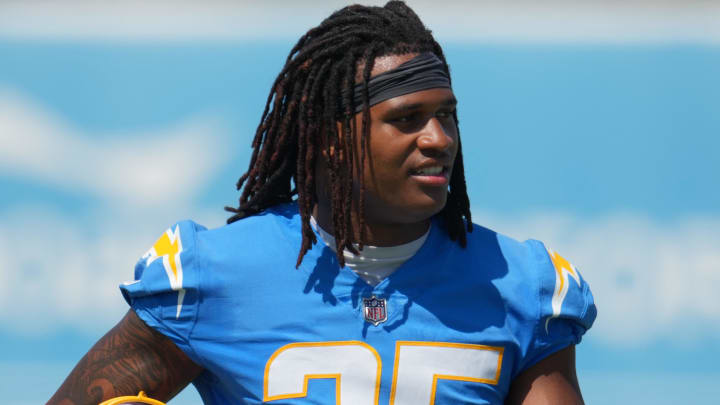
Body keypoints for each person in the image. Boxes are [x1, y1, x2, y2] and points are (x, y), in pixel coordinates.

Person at [48, 2, 596, 404]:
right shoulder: (216, 274)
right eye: (406, 119)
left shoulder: (520, 285)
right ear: (331, 140)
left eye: (446, 115)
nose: (439, 139)